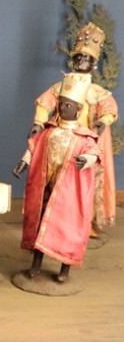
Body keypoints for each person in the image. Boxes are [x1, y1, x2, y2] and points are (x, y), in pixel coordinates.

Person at [30, 22, 117, 233]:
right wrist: (38, 123)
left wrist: (103, 122)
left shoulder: (97, 92)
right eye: (79, 57)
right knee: (57, 180)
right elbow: (45, 103)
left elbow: (109, 109)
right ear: (73, 60)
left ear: (94, 64)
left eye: (87, 58)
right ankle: (53, 221)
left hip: (85, 143)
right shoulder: (61, 86)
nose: (82, 61)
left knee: (84, 183)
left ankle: (85, 223)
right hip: (61, 140)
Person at [15, 72, 100, 282]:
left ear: (78, 109)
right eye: (60, 103)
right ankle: (36, 264)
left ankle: (65, 269)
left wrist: (86, 160)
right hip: (46, 186)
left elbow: (94, 154)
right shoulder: (49, 131)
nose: (62, 108)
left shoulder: (84, 137)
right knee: (41, 223)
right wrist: (24, 162)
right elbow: (35, 147)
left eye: (68, 105)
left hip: (69, 192)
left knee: (68, 227)